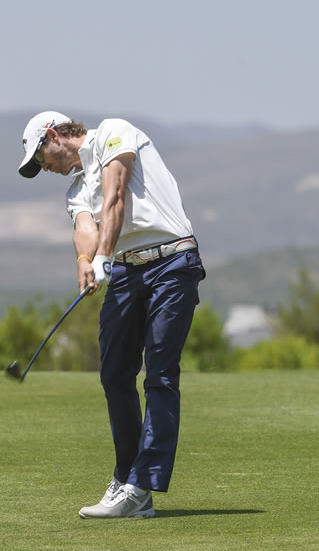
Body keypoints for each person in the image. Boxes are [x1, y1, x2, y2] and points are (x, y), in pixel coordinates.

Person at [17, 111, 206, 519]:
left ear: (54, 134)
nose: (43, 167)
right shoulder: (73, 190)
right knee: (115, 373)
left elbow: (115, 195)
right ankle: (126, 478)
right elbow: (85, 224)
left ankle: (141, 485)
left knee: (158, 374)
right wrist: (87, 258)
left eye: (41, 157)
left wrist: (104, 254)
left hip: (171, 263)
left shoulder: (114, 133)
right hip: (125, 270)